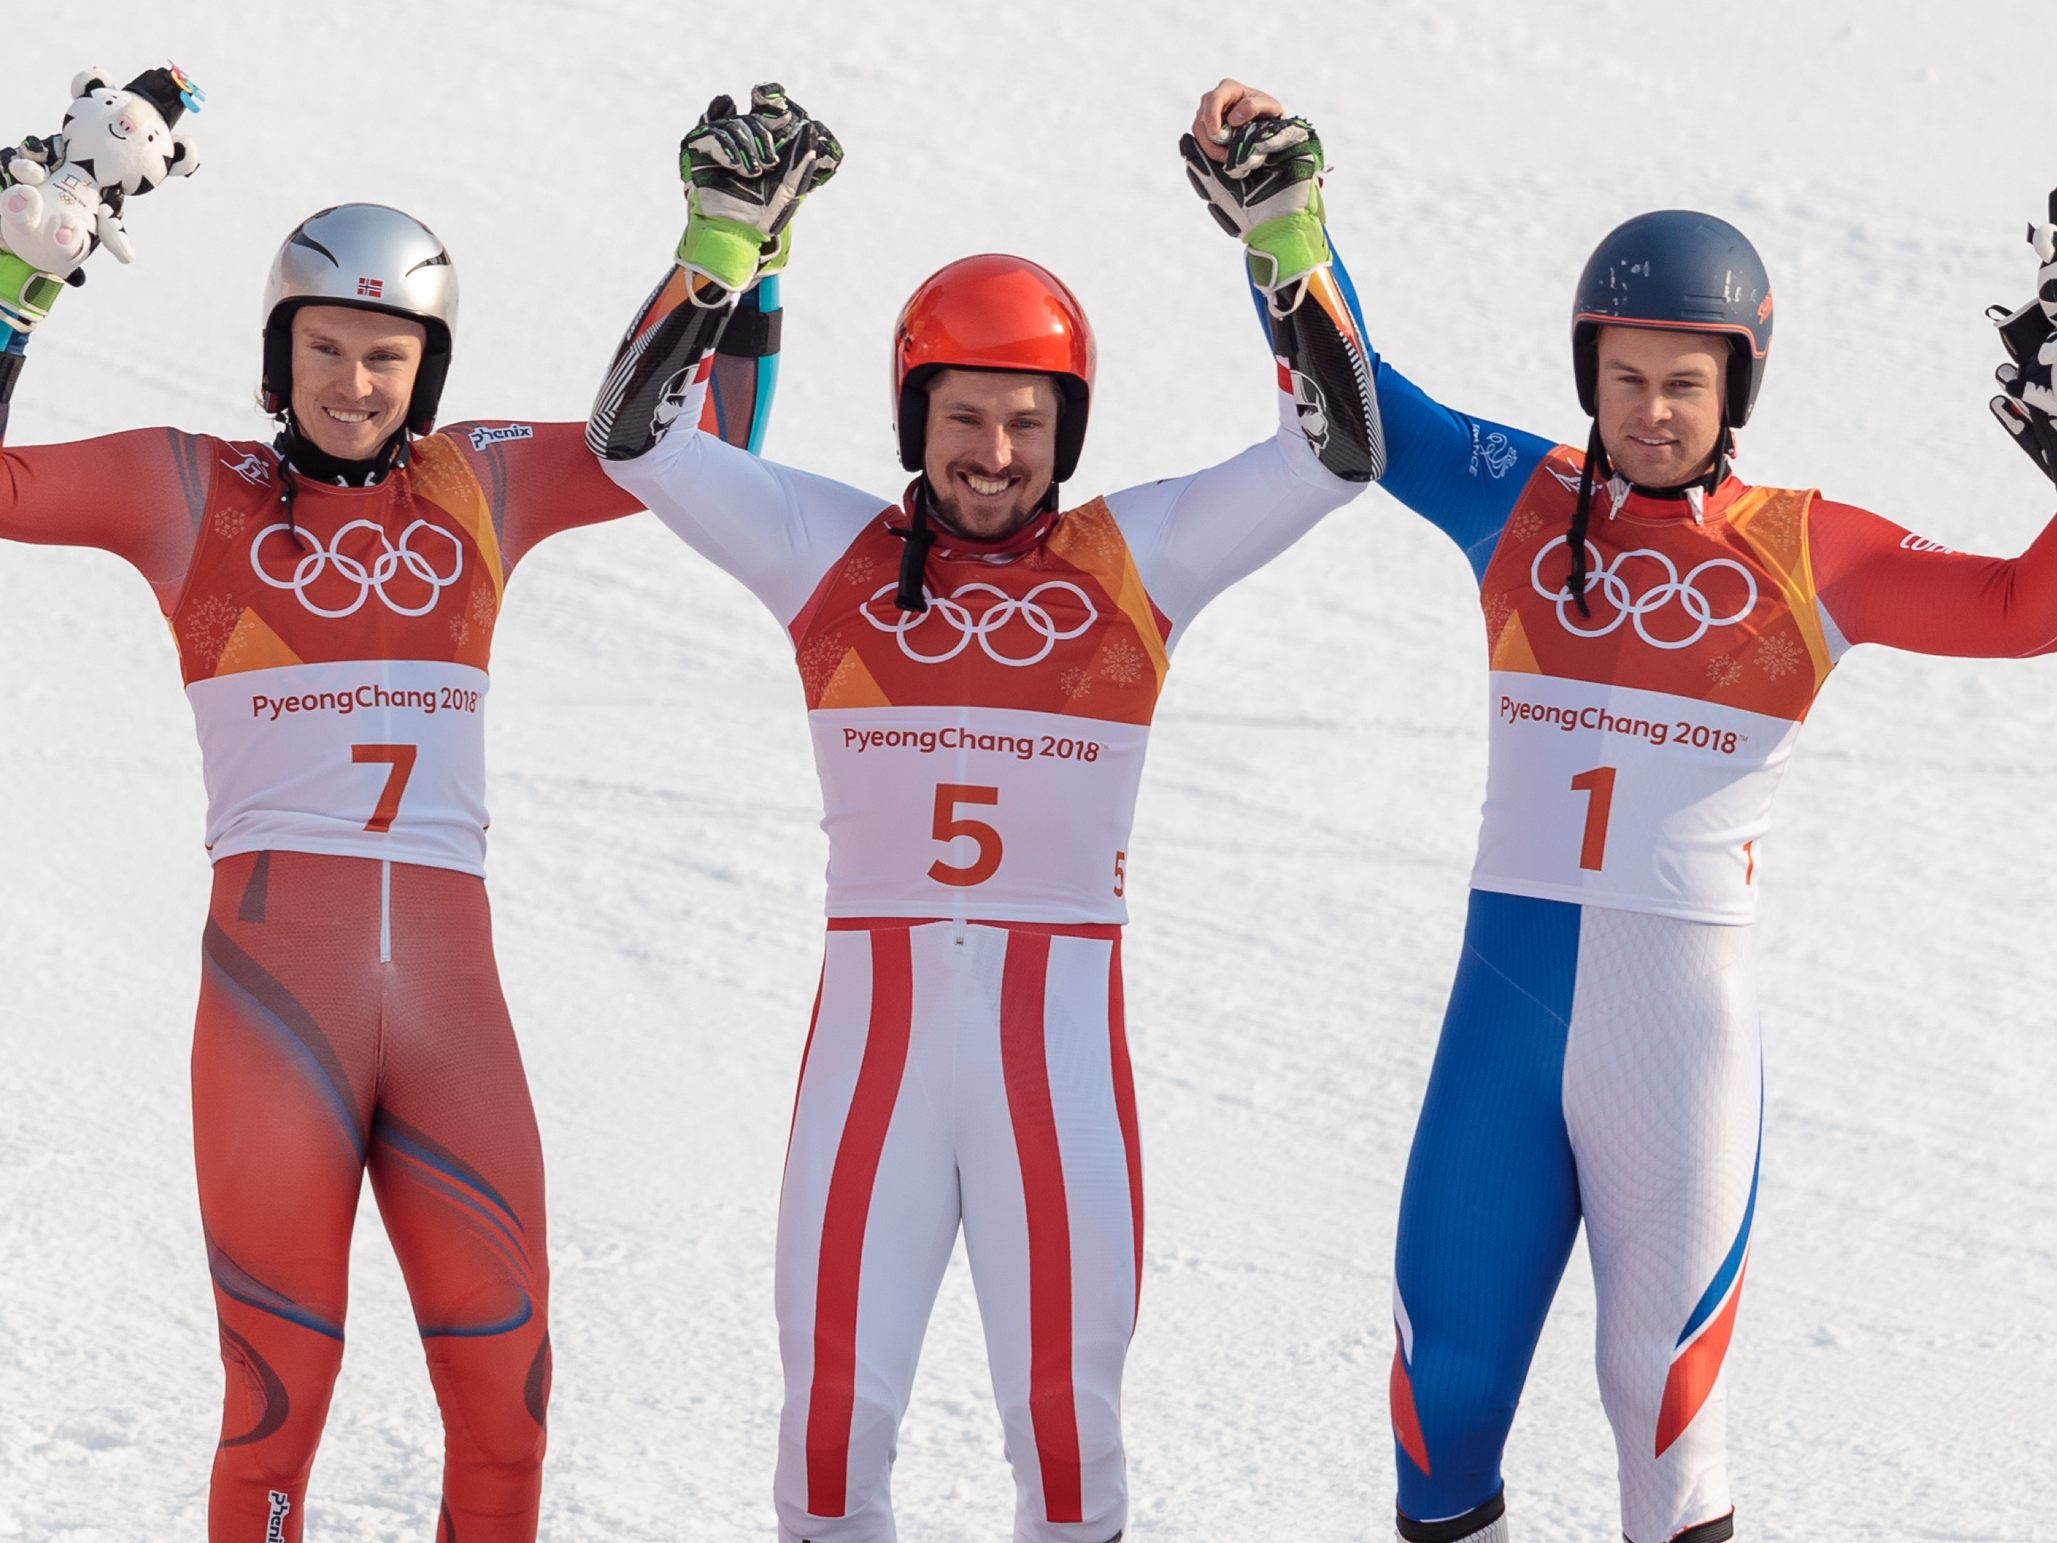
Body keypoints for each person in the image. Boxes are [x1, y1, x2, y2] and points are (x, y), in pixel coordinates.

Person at [1196, 78, 2057, 1543]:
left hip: (1678, 1039)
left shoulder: (1812, 553)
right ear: (1587, 374)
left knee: (1659, 1416)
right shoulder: (1513, 498)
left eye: (1684, 384)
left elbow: (2024, 610)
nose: (1650, 412)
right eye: (1624, 377)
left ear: (1735, 392)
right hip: (1503, 1021)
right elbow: (1363, 399)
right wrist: (1284, 227)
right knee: (1439, 1401)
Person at [587, 85, 1382, 1543]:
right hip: (872, 1059)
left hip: (1053, 1061)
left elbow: (1336, 452)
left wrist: (1286, 244)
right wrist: (719, 248)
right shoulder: (826, 548)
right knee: (830, 1439)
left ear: (1064, 430)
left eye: (1025, 421)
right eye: (963, 418)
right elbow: (637, 445)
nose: (994, 452)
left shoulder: (1138, 557)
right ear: (915, 419)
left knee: (1070, 1449)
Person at [0, 98, 800, 1537]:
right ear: (276, 354)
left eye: (386, 355)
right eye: (322, 349)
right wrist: (16, 283)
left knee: (507, 1406)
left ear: (428, 370)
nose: (352, 383)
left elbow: (716, 433)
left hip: (449, 1009)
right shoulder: (187, 487)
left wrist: (748, 250)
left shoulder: (480, 478)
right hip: (273, 1004)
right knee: (275, 1405)